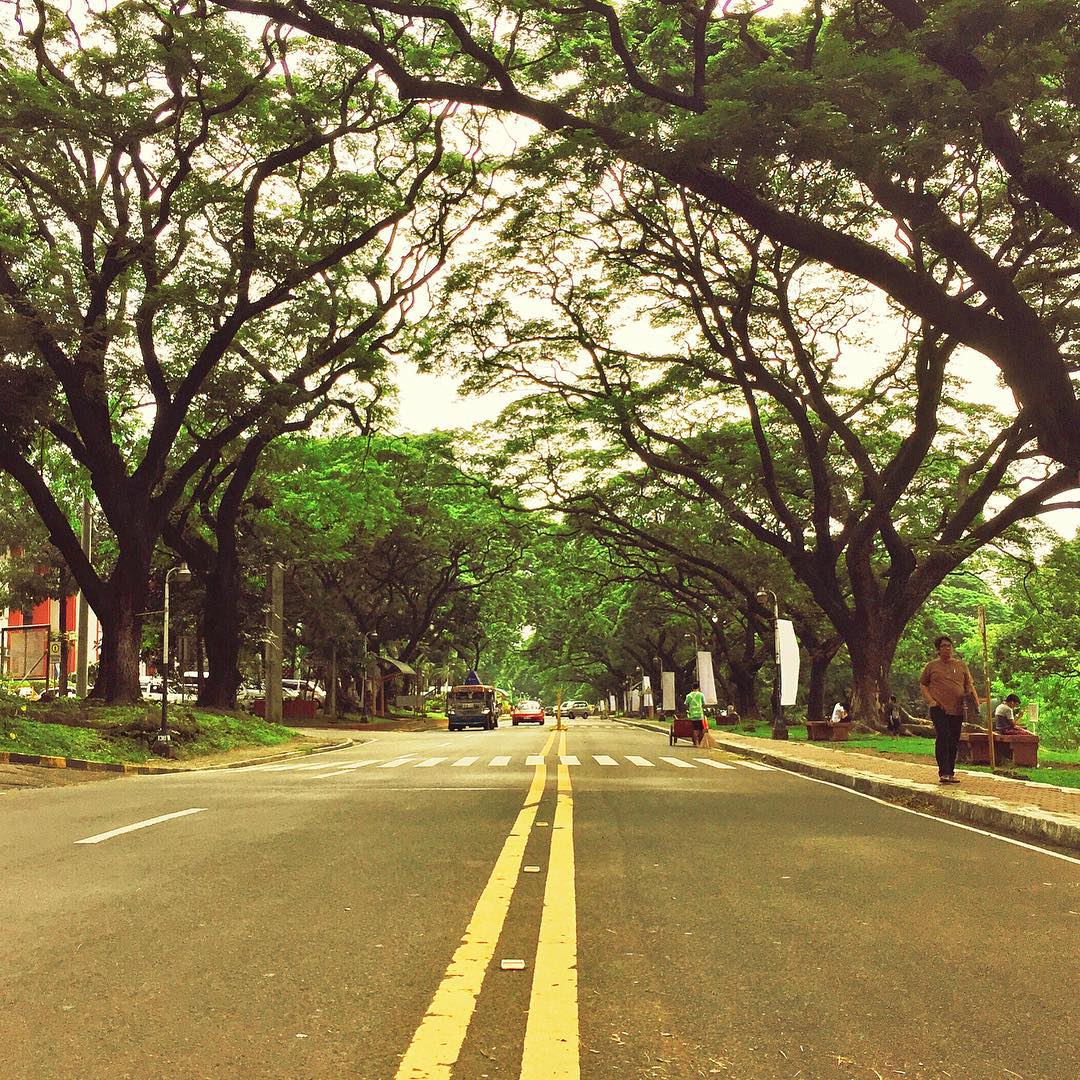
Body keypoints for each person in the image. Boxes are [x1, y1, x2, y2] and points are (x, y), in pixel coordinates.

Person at [919, 635, 979, 784]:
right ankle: (943, 772)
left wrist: (975, 702)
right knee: (943, 736)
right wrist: (931, 701)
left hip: (957, 709)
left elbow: (969, 685)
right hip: (939, 708)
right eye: (943, 646)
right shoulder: (931, 666)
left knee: (953, 740)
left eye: (949, 646)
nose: (947, 648)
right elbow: (923, 684)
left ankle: (950, 772)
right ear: (938, 650)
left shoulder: (960, 665)